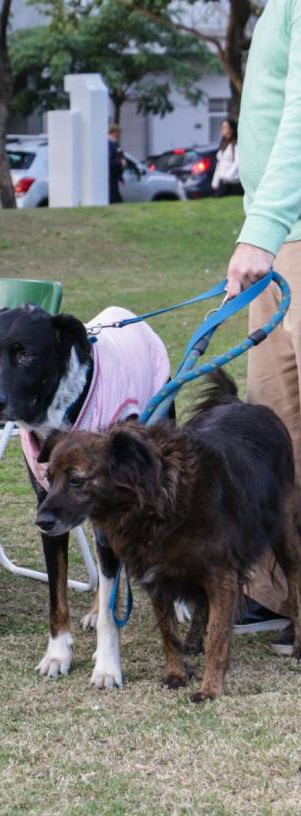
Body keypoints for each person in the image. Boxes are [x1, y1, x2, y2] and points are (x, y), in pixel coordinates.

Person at [225, 0, 301, 656]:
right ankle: (278, 593)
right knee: (273, 428)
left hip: (288, 237)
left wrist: (263, 226)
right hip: (280, 243)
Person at [211, 118, 243, 197]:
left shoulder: (236, 144)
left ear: (232, 129)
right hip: (223, 180)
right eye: (222, 128)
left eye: (226, 127)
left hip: (233, 181)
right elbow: (219, 164)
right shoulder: (223, 144)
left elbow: (237, 162)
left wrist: (228, 176)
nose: (223, 130)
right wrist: (215, 181)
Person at [108, 124, 125, 204]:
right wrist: (120, 162)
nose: (120, 135)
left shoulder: (115, 144)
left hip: (115, 178)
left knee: (116, 200)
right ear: (114, 133)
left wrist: (120, 177)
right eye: (119, 132)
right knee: (116, 201)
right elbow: (109, 162)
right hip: (111, 178)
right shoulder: (109, 144)